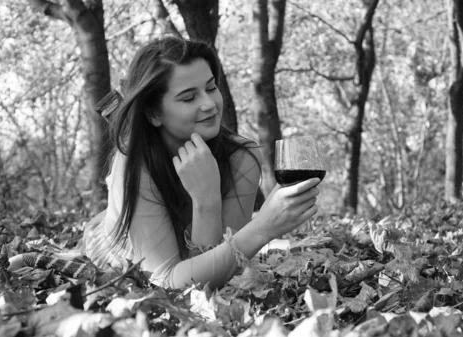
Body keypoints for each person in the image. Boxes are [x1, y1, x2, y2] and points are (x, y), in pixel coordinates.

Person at [83, 36, 321, 290]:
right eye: (188, 98)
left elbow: (216, 270)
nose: (209, 105)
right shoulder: (134, 165)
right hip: (115, 252)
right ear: (153, 113)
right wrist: (263, 227)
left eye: (211, 88)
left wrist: (206, 201)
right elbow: (167, 283)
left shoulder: (241, 157)